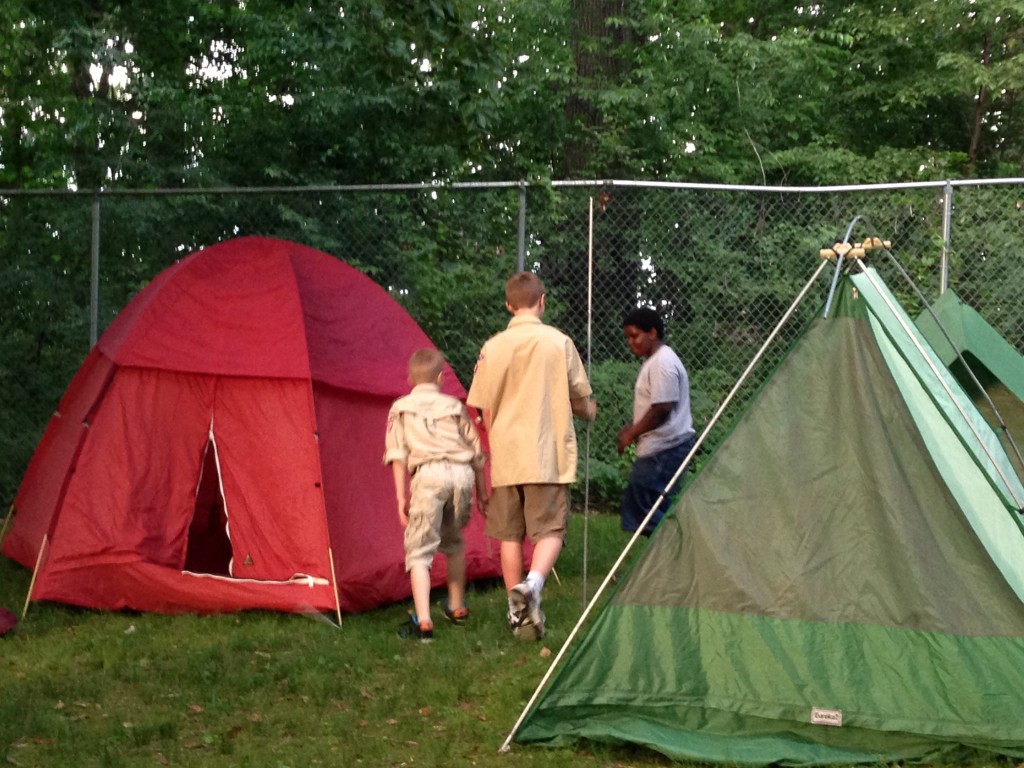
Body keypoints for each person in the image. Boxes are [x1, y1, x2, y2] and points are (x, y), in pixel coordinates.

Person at [467, 272, 597, 641]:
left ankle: (517, 612)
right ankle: (534, 584)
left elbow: (482, 405)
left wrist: (493, 443)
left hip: (507, 454)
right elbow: (578, 399)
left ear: (508, 305)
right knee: (551, 528)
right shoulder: (559, 342)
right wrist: (590, 410)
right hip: (547, 452)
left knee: (510, 534)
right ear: (543, 302)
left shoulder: (492, 348)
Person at [384, 348, 489, 643]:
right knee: (453, 540)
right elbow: (476, 450)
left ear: (409, 379)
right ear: (441, 378)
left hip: (428, 476)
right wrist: (482, 492)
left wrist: (400, 497)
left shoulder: (400, 408)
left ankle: (424, 620)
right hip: (461, 474)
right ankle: (456, 607)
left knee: (419, 549)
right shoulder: (455, 407)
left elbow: (397, 455)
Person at [617, 306, 695, 537]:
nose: (631, 342)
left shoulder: (663, 363)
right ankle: (665, 562)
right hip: (660, 447)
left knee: (642, 511)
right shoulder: (654, 361)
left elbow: (663, 407)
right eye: (628, 337)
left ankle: (681, 545)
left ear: (652, 333)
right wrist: (632, 429)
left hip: (666, 448)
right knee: (647, 509)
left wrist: (632, 433)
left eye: (635, 335)